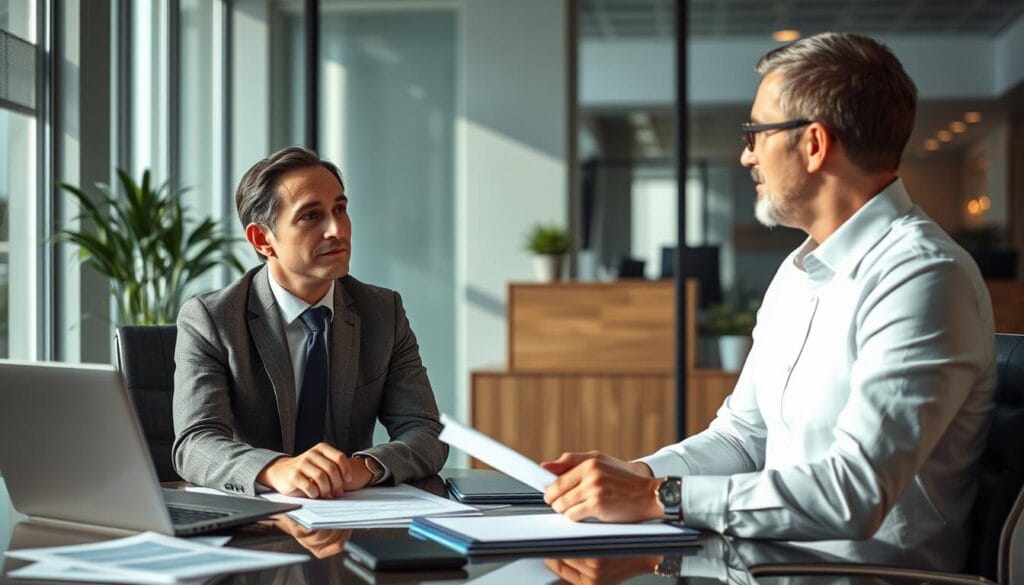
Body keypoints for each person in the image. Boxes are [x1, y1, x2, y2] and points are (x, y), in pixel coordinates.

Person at [542, 32, 996, 571]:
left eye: (756, 133)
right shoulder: (797, 272)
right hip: (762, 566)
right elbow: (743, 438)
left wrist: (657, 497)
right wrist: (638, 476)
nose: (746, 155)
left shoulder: (922, 275)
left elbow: (854, 492)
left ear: (814, 144)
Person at [172, 146, 447, 499]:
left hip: (351, 512)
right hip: (258, 515)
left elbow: (425, 431)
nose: (337, 229)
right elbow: (195, 443)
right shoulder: (212, 320)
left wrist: (364, 467)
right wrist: (276, 469)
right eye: (311, 216)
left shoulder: (382, 312)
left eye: (340, 209)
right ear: (262, 239)